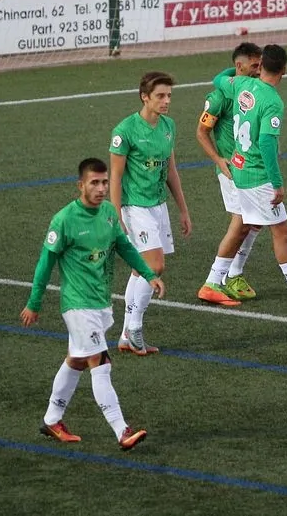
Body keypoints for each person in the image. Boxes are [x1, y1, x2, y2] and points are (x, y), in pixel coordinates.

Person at [20, 158, 164, 449]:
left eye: (104, 182)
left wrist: (149, 274)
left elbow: (124, 247)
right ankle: (122, 431)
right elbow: (45, 264)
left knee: (76, 360)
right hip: (77, 305)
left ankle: (52, 420)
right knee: (101, 361)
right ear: (81, 185)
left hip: (99, 302)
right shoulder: (64, 220)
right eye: (94, 183)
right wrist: (34, 302)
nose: (101, 188)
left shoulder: (109, 213)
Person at [211, 43, 287, 308]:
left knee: (246, 226)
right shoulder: (273, 101)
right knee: (282, 231)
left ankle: (215, 280)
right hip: (257, 176)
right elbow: (266, 143)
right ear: (284, 69)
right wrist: (277, 183)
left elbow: (218, 79)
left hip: (240, 170)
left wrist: (237, 70)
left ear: (261, 65)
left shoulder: (242, 84)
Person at [109, 71, 192, 356]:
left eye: (169, 95)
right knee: (154, 266)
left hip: (158, 206)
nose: (166, 101)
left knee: (139, 270)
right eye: (160, 96)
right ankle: (135, 328)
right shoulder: (124, 131)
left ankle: (125, 336)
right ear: (145, 97)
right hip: (134, 207)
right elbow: (115, 177)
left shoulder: (169, 126)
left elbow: (171, 170)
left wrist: (182, 209)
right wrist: (116, 215)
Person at [196, 42, 264, 307]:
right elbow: (201, 131)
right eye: (255, 65)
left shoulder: (254, 90)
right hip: (232, 171)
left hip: (252, 169)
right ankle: (214, 281)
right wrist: (218, 160)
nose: (259, 70)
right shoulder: (219, 97)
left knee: (255, 222)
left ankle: (233, 275)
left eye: (260, 65)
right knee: (242, 222)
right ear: (239, 66)